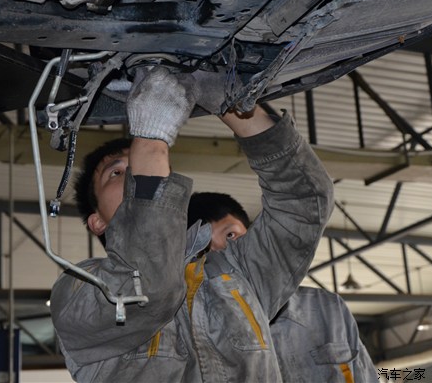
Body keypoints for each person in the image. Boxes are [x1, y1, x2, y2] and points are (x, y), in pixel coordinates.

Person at [50, 64, 334, 382]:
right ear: (97, 222)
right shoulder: (79, 291)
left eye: (143, 166)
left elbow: (304, 203)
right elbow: (150, 286)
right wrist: (151, 139)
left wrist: (234, 105)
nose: (135, 174)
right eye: (116, 173)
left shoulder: (237, 274)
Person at [188, 192, 379, 383]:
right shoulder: (197, 331)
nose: (224, 253)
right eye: (204, 251)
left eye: (231, 235)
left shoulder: (326, 307)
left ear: (253, 235)